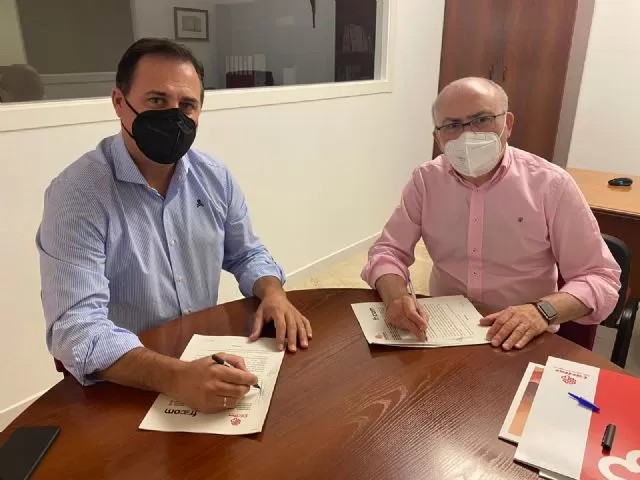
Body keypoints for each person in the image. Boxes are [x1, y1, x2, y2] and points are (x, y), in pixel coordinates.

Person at [37, 38, 312, 413]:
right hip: (124, 383)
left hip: (200, 357)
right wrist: (175, 377)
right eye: (156, 100)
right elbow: (76, 328)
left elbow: (247, 253)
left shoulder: (214, 177)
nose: (174, 116)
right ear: (119, 102)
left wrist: (272, 292)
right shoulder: (78, 195)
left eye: (187, 105)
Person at [362, 77, 621, 351]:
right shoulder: (426, 181)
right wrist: (396, 296)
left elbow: (600, 278)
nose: (468, 135)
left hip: (525, 335)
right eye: (452, 125)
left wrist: (540, 312)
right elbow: (387, 251)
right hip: (445, 331)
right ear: (438, 137)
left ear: (507, 124)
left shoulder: (550, 184)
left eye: (482, 119)